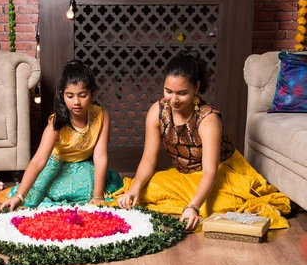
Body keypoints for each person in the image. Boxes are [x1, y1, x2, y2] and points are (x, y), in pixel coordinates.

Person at [116, 52, 291, 230]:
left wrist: (193, 207)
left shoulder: (208, 119)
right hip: (185, 176)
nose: (174, 100)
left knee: (216, 205)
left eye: (182, 93)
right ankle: (186, 199)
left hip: (220, 173)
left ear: (196, 87)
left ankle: (193, 202)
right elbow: (148, 159)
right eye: (168, 91)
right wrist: (135, 188)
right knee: (145, 190)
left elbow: (210, 171)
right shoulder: (158, 111)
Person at [0, 60, 122, 210]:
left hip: (82, 165)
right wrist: (19, 196)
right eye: (70, 96)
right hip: (56, 165)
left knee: (89, 189)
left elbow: (100, 156)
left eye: (82, 95)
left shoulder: (102, 115)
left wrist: (97, 196)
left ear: (92, 93)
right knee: (39, 192)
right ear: (62, 94)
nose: (76, 102)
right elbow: (38, 160)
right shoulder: (56, 123)